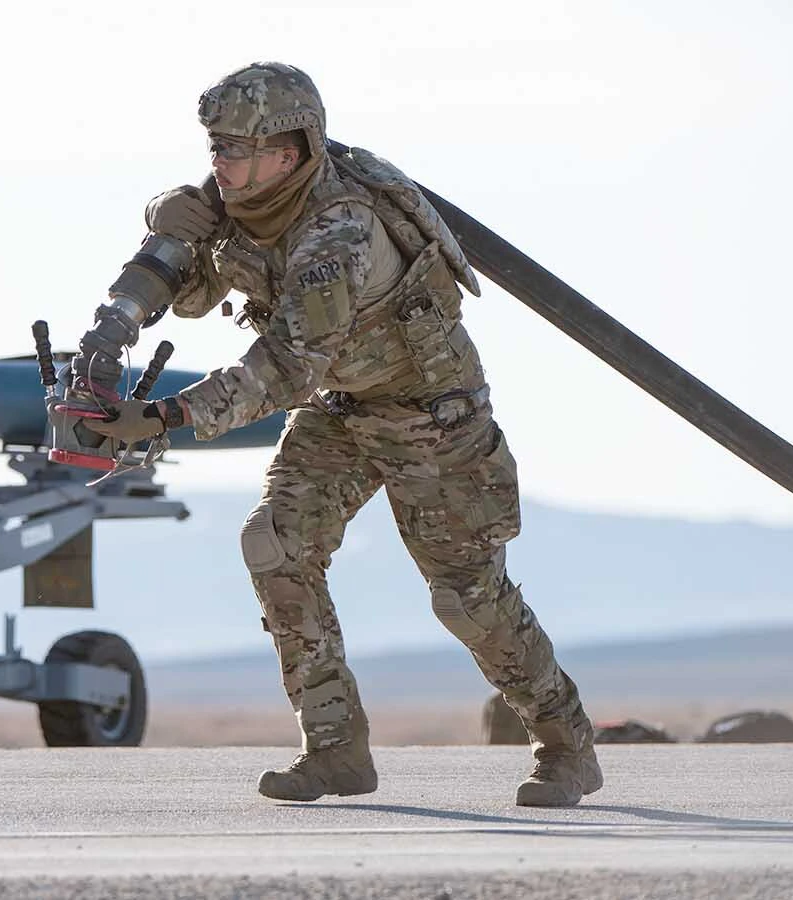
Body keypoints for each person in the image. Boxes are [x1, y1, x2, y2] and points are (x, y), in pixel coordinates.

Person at [72, 63, 600, 807]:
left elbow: (286, 365)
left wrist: (165, 417)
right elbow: (197, 297)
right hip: (342, 410)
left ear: (289, 152)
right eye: (214, 148)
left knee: (468, 598)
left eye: (235, 150)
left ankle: (567, 745)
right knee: (274, 545)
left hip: (430, 416)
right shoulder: (244, 202)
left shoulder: (338, 229)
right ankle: (335, 751)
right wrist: (163, 242)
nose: (218, 164)